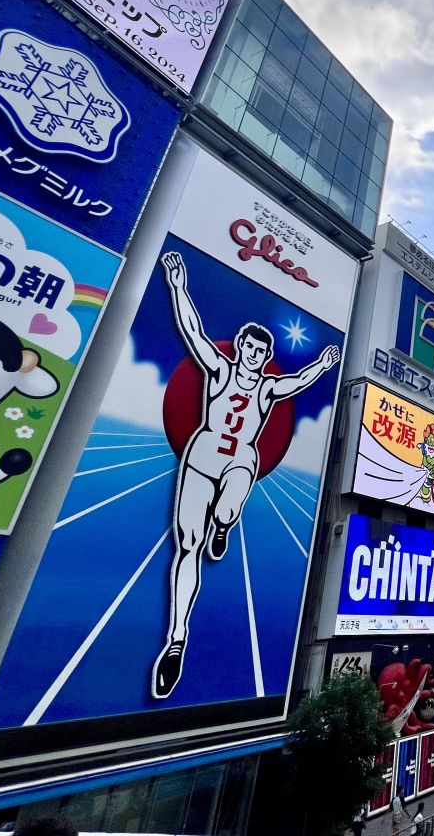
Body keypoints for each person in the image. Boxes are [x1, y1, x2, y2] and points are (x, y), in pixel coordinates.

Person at [152, 251, 340, 698]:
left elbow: (297, 381)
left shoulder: (268, 387)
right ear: (240, 348)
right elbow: (193, 333)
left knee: (234, 494)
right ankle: (176, 641)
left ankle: (224, 521)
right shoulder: (219, 370)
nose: (254, 356)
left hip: (240, 459)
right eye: (249, 349)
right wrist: (179, 287)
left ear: (266, 356)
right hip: (201, 459)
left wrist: (323, 365)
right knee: (187, 548)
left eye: (261, 352)